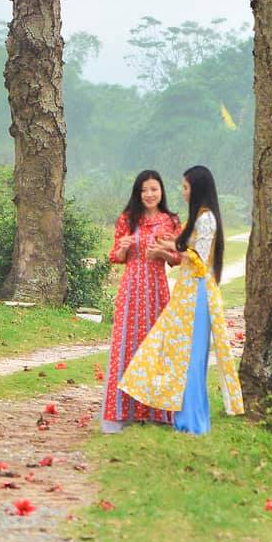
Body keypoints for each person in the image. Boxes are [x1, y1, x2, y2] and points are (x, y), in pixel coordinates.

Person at [119, 163, 243, 434]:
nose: (182, 192)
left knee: (193, 358)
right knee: (181, 356)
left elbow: (199, 261)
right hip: (187, 293)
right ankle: (185, 418)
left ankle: (195, 422)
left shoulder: (206, 218)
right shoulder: (197, 217)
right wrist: (170, 244)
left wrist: (170, 248)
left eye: (185, 187)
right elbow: (186, 249)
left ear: (196, 189)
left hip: (198, 293)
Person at [102, 168, 179, 432]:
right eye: (144, 190)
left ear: (161, 191)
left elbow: (178, 259)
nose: (149, 194)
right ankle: (124, 411)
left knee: (156, 346)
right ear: (138, 192)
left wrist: (163, 252)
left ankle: (157, 412)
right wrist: (123, 249)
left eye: (154, 189)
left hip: (157, 290)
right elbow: (115, 256)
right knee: (127, 344)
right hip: (131, 289)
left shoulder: (171, 221)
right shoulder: (127, 219)